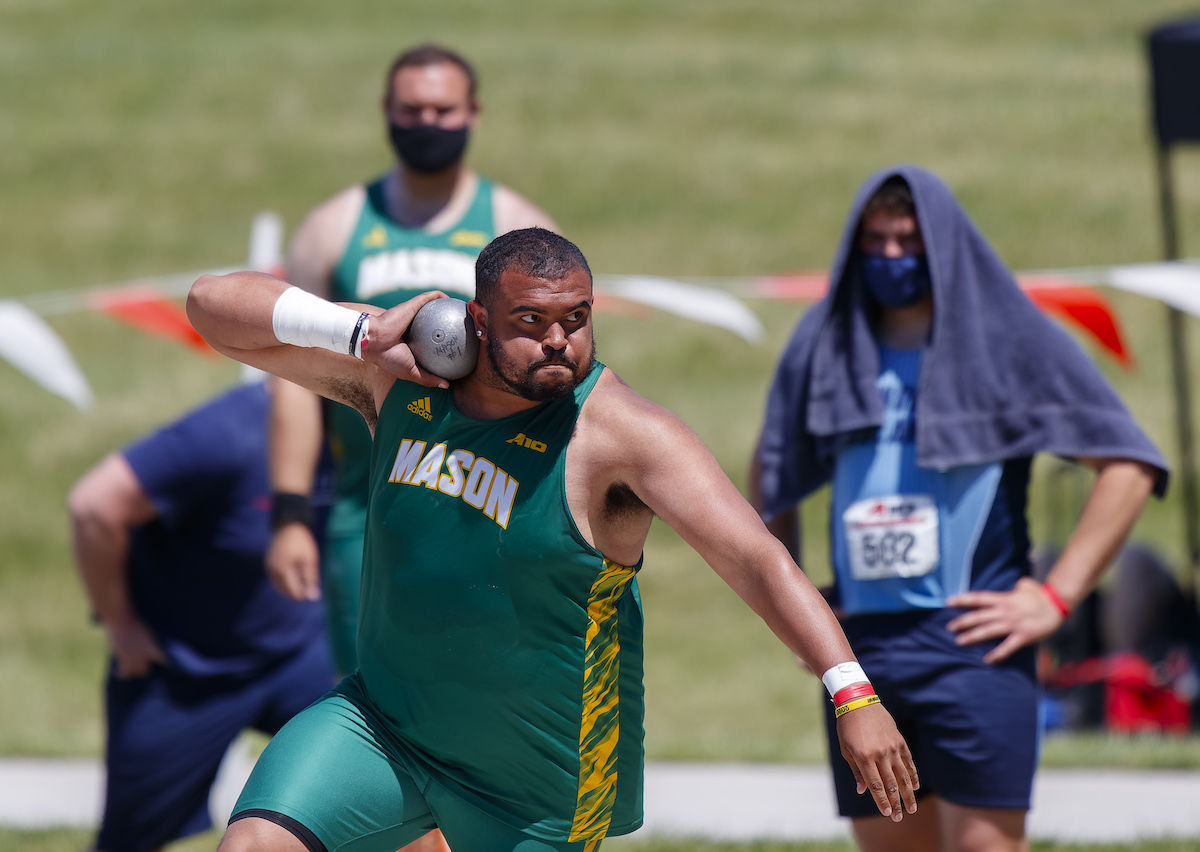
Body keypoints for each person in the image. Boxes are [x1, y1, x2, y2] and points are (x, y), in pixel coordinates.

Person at [186, 227, 919, 852]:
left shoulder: (626, 436)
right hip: (384, 725)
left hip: (539, 778)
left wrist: (853, 697)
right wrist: (360, 333)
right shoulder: (400, 380)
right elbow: (212, 309)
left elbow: (756, 558)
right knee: (252, 842)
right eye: (531, 321)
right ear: (477, 318)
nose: (559, 341)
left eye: (576, 317)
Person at [751, 165, 1169, 852]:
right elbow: (771, 472)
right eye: (876, 240)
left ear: (944, 245)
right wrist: (798, 609)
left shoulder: (1007, 337)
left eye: (909, 241)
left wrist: (1056, 599)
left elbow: (1127, 465)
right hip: (863, 653)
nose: (891, 257)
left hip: (975, 645)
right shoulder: (826, 341)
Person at [266, 43, 559, 687]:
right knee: (377, 693)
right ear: (386, 111)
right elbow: (292, 379)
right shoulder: (334, 228)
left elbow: (557, 370)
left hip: (489, 497)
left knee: (487, 690)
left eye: (443, 109)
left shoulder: (517, 224)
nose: (427, 122)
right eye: (412, 108)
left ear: (473, 112)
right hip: (365, 511)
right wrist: (289, 515)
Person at [68, 379, 337, 852]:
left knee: (386, 778)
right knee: (130, 839)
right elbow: (94, 506)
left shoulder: (365, 431)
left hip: (297, 652)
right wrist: (120, 625)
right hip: (183, 667)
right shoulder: (225, 434)